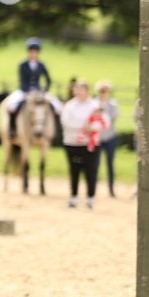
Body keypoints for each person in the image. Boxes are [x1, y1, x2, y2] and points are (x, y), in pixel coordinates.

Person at [60, 79, 105, 209]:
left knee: (91, 171)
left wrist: (91, 128)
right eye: (76, 89)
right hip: (72, 142)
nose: (77, 92)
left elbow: (102, 121)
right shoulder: (69, 105)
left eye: (80, 89)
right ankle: (73, 197)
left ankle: (90, 198)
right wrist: (83, 127)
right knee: (74, 171)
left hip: (89, 144)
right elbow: (65, 122)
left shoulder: (94, 105)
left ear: (87, 90)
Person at [6, 38, 60, 134]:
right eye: (32, 51)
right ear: (29, 52)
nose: (34, 53)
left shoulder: (41, 65)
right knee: (13, 106)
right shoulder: (22, 65)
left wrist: (45, 90)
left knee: (56, 106)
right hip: (24, 90)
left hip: (38, 90)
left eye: (36, 51)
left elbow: (48, 80)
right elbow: (22, 80)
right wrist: (28, 90)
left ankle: (54, 130)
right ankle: (12, 128)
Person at [95, 81, 120, 198]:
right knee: (95, 164)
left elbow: (113, 117)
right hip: (97, 138)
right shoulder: (94, 103)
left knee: (110, 164)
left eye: (105, 91)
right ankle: (93, 188)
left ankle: (111, 188)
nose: (103, 93)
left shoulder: (113, 104)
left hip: (110, 137)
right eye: (101, 91)